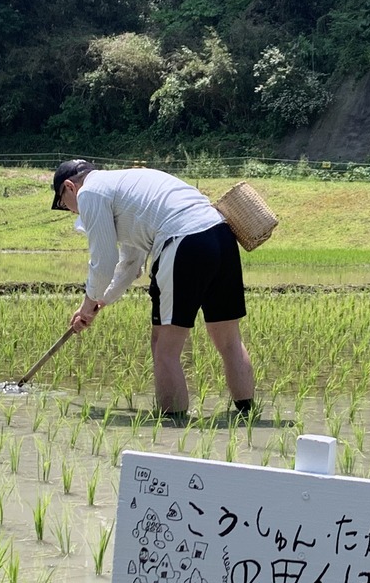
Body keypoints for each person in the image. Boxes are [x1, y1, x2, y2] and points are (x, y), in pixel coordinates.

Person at [50, 158, 255, 418]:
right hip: (221, 235)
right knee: (228, 340)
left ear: (69, 187)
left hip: (184, 240)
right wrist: (100, 302)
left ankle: (172, 426)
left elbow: (103, 262)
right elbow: (129, 264)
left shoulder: (89, 192)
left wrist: (86, 304)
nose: (70, 211)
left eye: (62, 203)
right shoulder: (124, 187)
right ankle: (248, 416)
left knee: (164, 346)